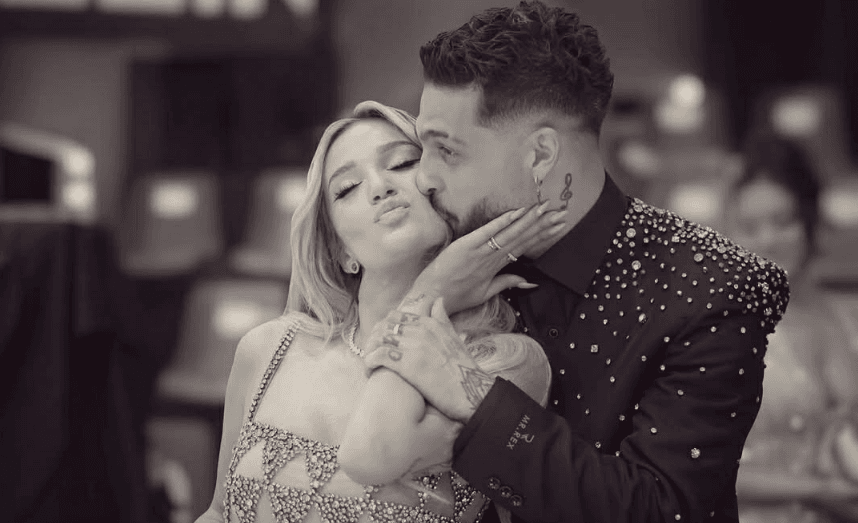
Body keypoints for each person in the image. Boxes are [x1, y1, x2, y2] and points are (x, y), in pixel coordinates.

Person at [358, 2, 791, 522]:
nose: (424, 178)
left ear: (541, 155)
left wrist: (470, 392)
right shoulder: (437, 256)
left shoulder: (711, 287)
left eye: (447, 151)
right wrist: (430, 291)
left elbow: (660, 509)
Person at [194, 100, 562, 523]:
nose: (379, 187)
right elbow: (217, 512)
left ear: (441, 191)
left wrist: (428, 293)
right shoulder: (267, 348)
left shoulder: (502, 363)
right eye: (347, 188)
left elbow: (371, 454)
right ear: (339, 250)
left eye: (402, 163)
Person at [727, 133, 858, 523]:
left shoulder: (846, 315)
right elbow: (688, 465)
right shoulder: (714, 331)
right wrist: (816, 491)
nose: (768, 239)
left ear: (809, 219)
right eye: (750, 227)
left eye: (783, 221)